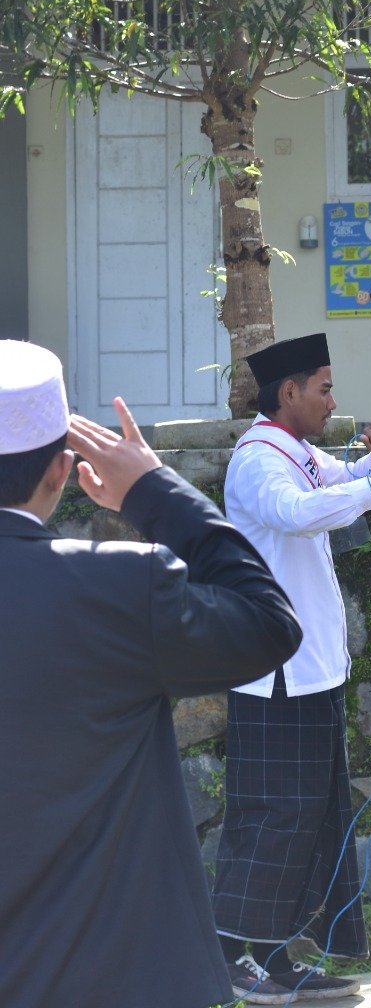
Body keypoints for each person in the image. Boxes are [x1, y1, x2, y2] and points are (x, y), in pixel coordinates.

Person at [0, 339, 303, 1008]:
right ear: (60, 470)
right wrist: (154, 492)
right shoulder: (117, 587)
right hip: (109, 979)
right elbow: (269, 623)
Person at [211, 332, 371, 1005]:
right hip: (276, 677)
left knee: (306, 819)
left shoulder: (295, 451)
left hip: (309, 673)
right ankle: (227, 958)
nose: (334, 401)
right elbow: (299, 514)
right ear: (289, 392)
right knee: (274, 817)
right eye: (325, 388)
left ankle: (274, 957)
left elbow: (341, 480)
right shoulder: (257, 460)